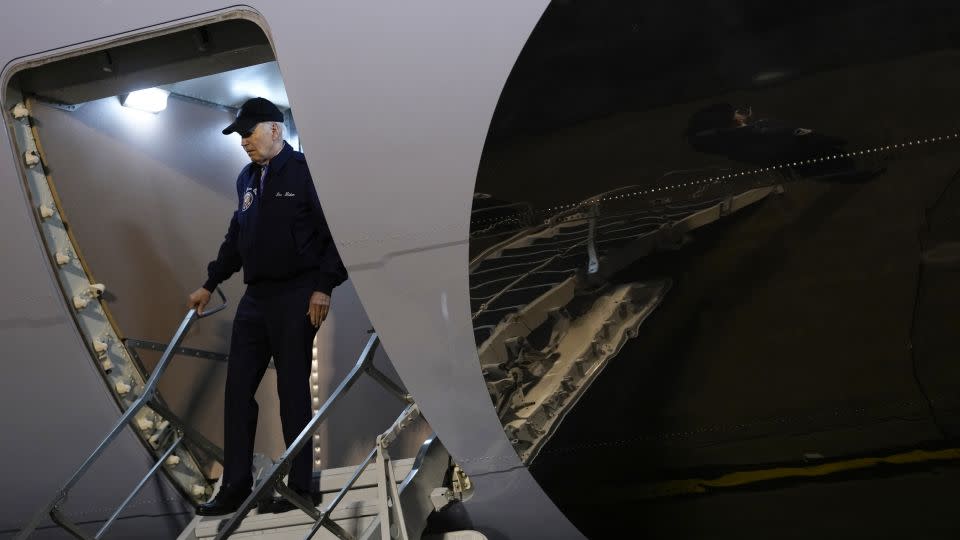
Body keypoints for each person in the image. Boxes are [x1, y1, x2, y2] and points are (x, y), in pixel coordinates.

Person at [188, 97, 347, 515]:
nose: (243, 141)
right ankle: (235, 486)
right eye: (239, 135)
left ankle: (300, 488)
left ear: (275, 129)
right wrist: (210, 282)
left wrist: (324, 285)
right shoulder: (247, 180)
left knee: (292, 389)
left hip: (298, 294)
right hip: (256, 298)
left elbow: (336, 230)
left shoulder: (306, 171)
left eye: (248, 132)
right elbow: (235, 238)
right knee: (237, 389)